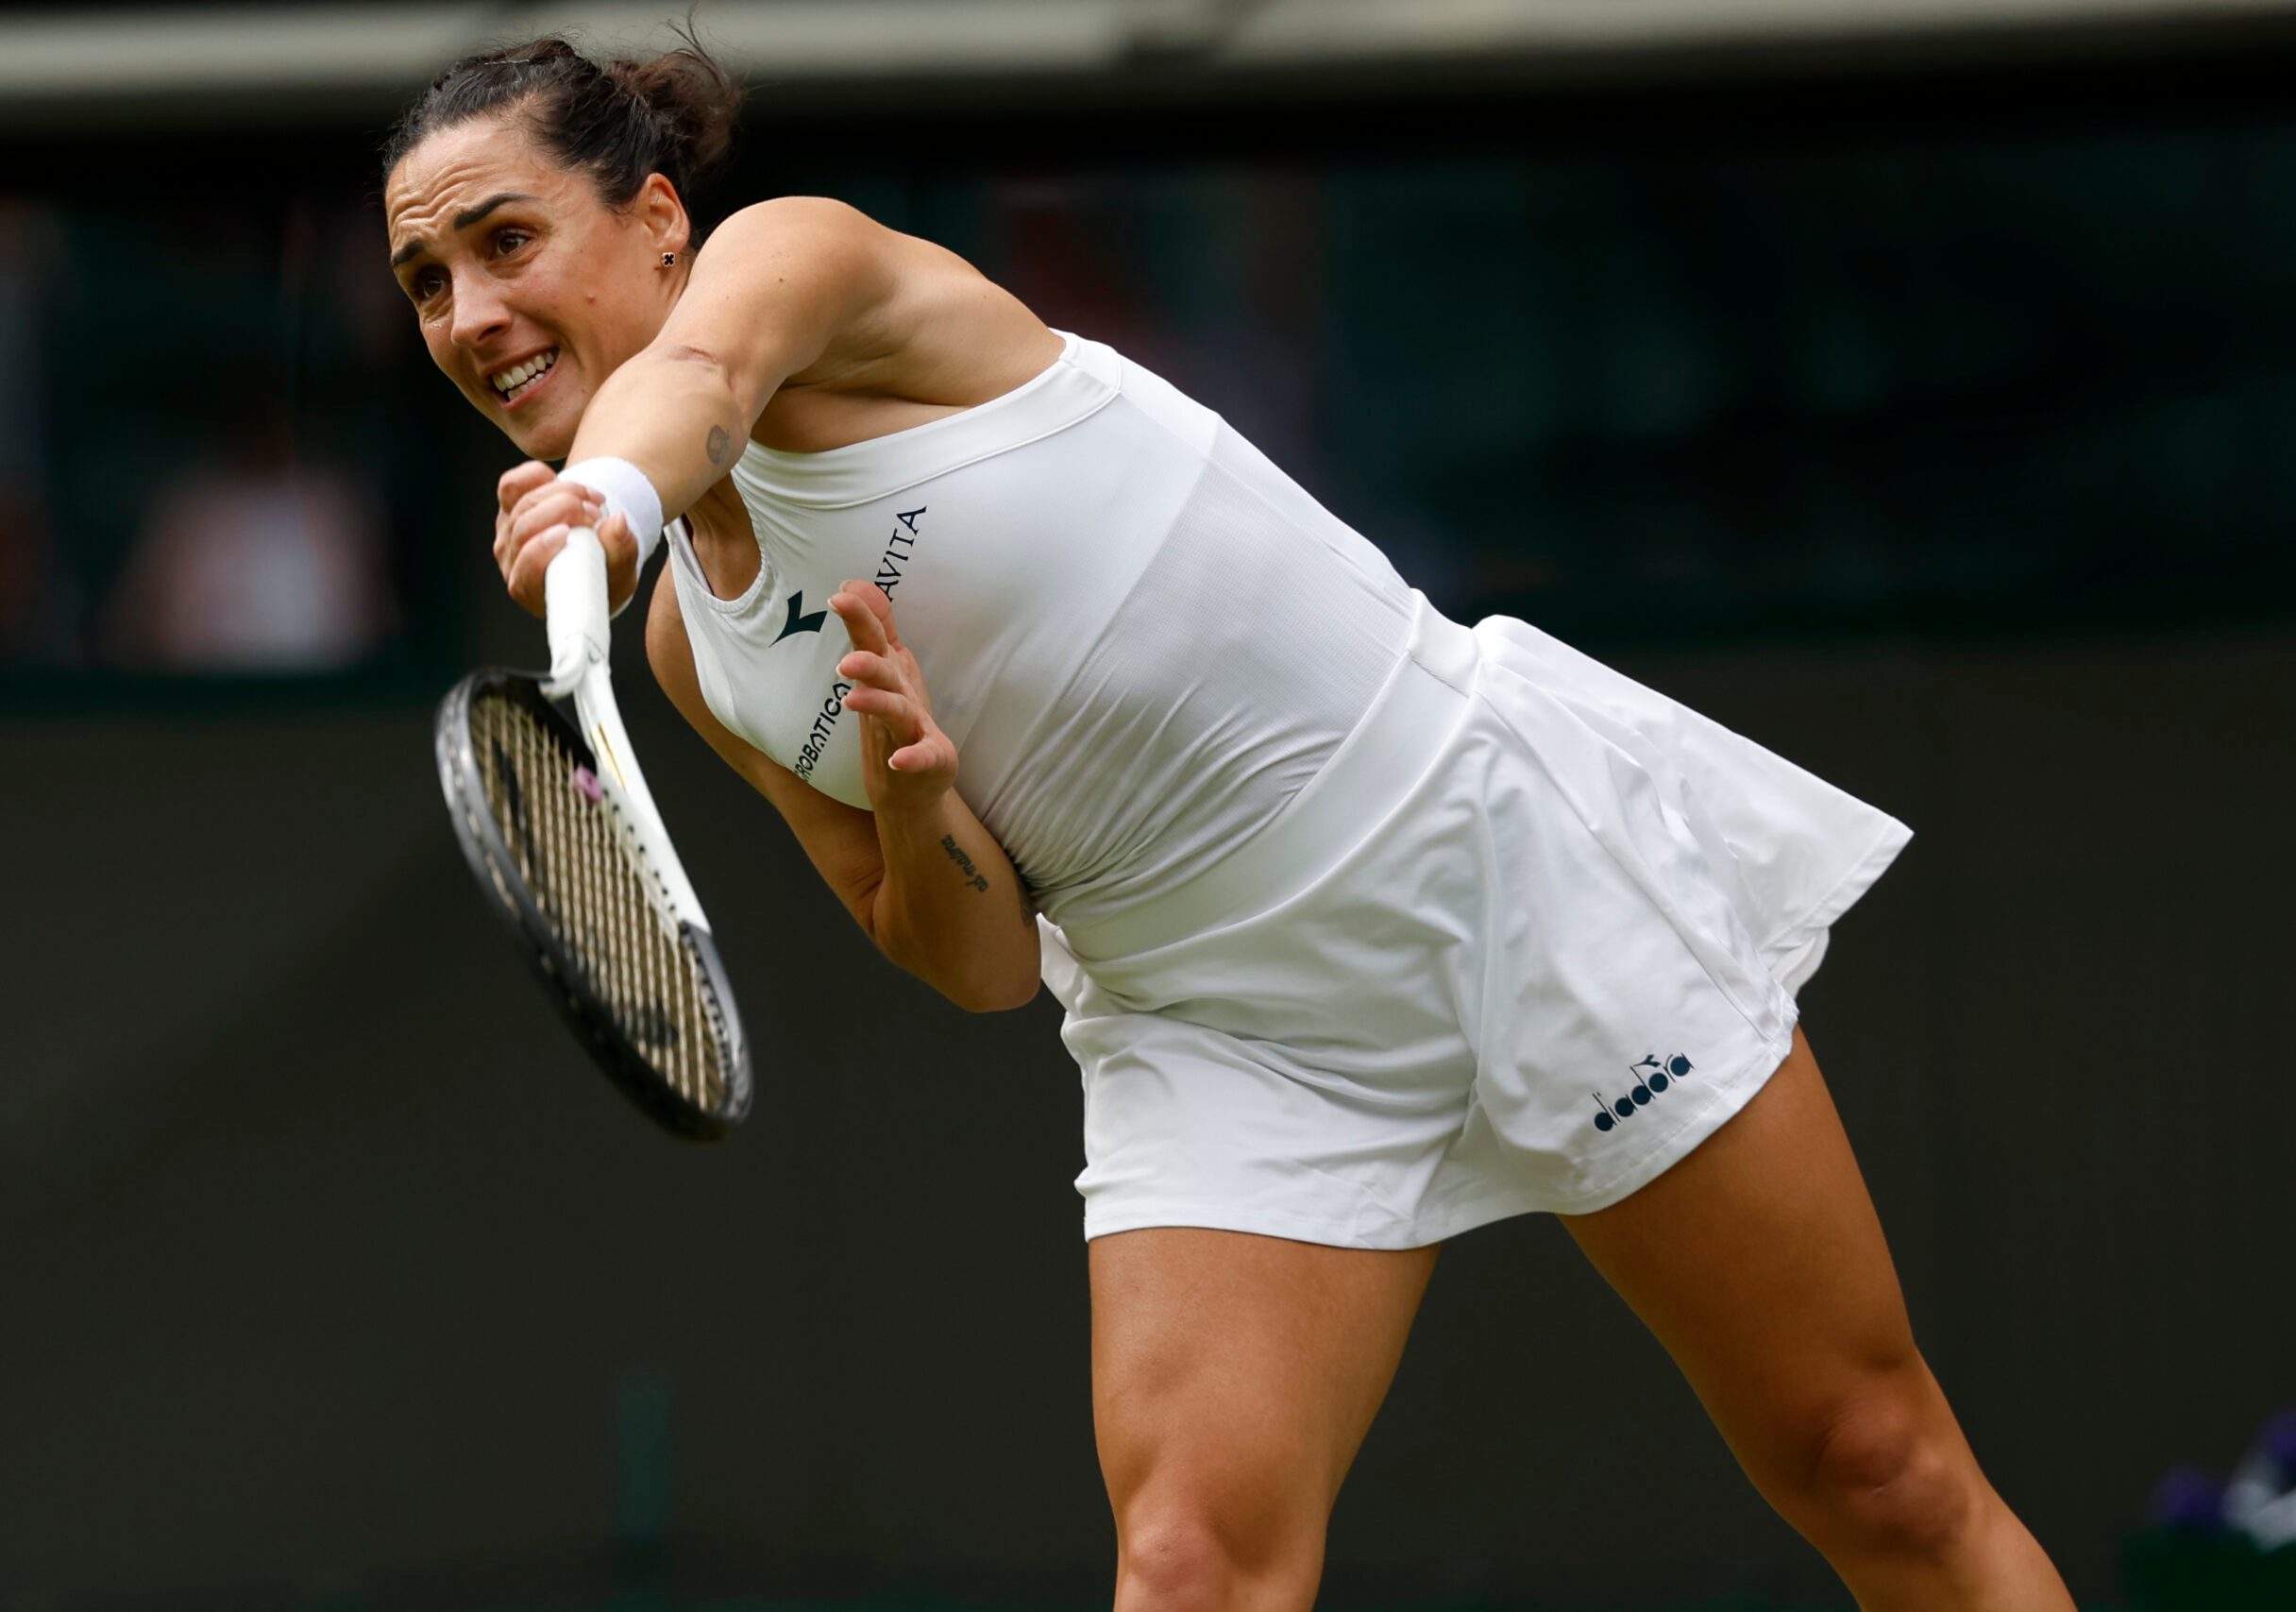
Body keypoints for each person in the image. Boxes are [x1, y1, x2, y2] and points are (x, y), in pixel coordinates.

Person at [382, 35, 2075, 1611]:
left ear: (660, 216)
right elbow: (971, 965)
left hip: (1485, 858)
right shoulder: (692, 650)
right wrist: (921, 802)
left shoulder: (791, 267)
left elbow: (702, 381)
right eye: (425, 282)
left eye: (505, 240)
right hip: (1218, 1028)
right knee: (1193, 1571)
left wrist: (603, 498)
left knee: (1876, 1466)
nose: (469, 313)